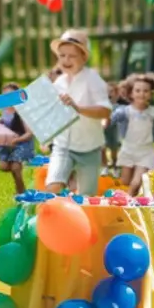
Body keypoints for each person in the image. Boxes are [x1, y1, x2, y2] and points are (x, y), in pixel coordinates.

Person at [45, 29, 111, 197]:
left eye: (72, 56)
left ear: (83, 57)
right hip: (63, 145)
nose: (66, 60)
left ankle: (76, 208)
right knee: (53, 186)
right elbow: (53, 115)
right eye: (62, 55)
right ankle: (54, 213)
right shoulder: (58, 83)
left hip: (89, 148)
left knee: (86, 197)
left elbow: (105, 111)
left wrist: (79, 108)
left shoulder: (93, 79)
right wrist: (47, 137)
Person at [110, 73, 154, 195]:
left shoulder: (153, 112)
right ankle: (126, 196)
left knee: (137, 181)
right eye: (137, 91)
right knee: (125, 181)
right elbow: (111, 119)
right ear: (131, 93)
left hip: (146, 152)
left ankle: (128, 200)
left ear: (151, 93)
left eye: (146, 91)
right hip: (129, 150)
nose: (142, 94)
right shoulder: (125, 112)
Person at [0, 82, 36, 194]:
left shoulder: (22, 112)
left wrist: (16, 140)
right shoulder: (5, 110)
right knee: (4, 166)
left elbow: (29, 133)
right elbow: (4, 120)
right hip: (8, 143)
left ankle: (21, 192)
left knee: (15, 168)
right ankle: (20, 182)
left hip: (22, 143)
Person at [103, 81, 128, 173]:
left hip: (114, 130)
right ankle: (105, 165)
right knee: (102, 147)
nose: (108, 94)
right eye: (106, 92)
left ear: (117, 95)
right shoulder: (101, 106)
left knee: (114, 148)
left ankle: (114, 163)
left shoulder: (119, 107)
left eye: (111, 92)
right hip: (102, 130)